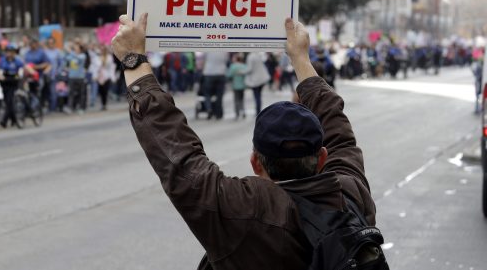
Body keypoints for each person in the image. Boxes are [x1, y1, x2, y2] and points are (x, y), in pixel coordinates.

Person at [112, 14, 382, 270]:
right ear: (322, 157)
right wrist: (301, 58)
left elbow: (177, 155)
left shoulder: (242, 208)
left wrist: (133, 60)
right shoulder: (350, 191)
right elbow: (338, 129)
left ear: (255, 162)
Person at [0, 44, 24, 128]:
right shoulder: (3, 60)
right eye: (8, 52)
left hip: (14, 82)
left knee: (10, 101)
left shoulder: (17, 61)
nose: (9, 54)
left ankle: (4, 120)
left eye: (11, 52)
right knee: (7, 101)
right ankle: (14, 119)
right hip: (5, 82)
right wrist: (0, 75)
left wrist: (19, 76)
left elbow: (21, 70)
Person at [201, 52, 229, 120]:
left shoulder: (207, 48)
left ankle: (209, 110)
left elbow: (203, 61)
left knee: (207, 94)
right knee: (219, 95)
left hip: (209, 73)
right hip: (221, 73)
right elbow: (227, 61)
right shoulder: (224, 50)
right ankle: (218, 113)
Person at [245, 52, 270, 116]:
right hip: (262, 78)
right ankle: (259, 110)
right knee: (259, 96)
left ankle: (258, 111)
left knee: (257, 96)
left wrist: (242, 72)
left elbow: (249, 69)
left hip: (255, 80)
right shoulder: (258, 55)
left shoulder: (250, 57)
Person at [65, 43, 87, 114]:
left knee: (81, 93)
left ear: (80, 49)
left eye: (77, 48)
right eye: (74, 48)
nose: (75, 49)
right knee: (71, 93)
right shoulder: (71, 55)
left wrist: (70, 52)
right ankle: (70, 107)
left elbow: (79, 58)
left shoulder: (83, 56)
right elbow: (66, 58)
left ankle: (81, 108)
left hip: (80, 77)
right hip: (72, 77)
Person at [226, 53, 249, 120]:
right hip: (243, 85)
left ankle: (237, 113)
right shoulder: (244, 66)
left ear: (236, 59)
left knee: (236, 100)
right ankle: (243, 111)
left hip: (235, 85)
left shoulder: (233, 66)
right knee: (242, 99)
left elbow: (229, 75)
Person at [94, 46, 116, 111]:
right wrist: (95, 76)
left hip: (107, 76)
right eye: (101, 50)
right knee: (101, 91)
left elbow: (111, 68)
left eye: (103, 50)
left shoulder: (109, 57)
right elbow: (95, 67)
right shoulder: (97, 58)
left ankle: (104, 104)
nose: (102, 51)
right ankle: (102, 104)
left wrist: (113, 77)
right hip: (100, 76)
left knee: (105, 91)